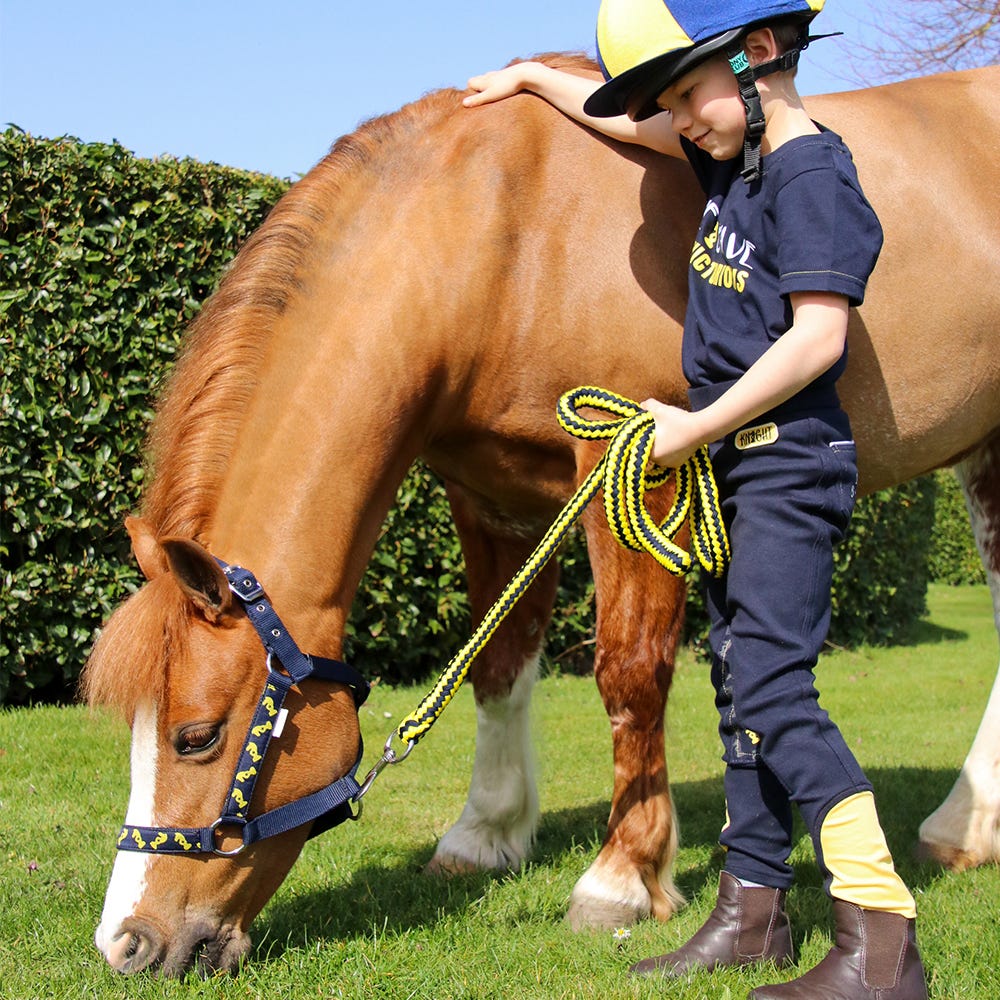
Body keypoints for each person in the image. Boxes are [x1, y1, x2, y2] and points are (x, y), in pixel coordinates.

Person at [463, 2, 928, 998]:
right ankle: (750, 916)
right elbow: (634, 126)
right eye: (669, 103)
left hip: (784, 462)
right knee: (734, 690)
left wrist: (691, 428)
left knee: (773, 692)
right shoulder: (739, 159)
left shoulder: (808, 175)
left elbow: (817, 340)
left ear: (757, 54)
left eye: (687, 94)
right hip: (735, 467)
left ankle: (881, 939)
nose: (680, 121)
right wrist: (540, 81)